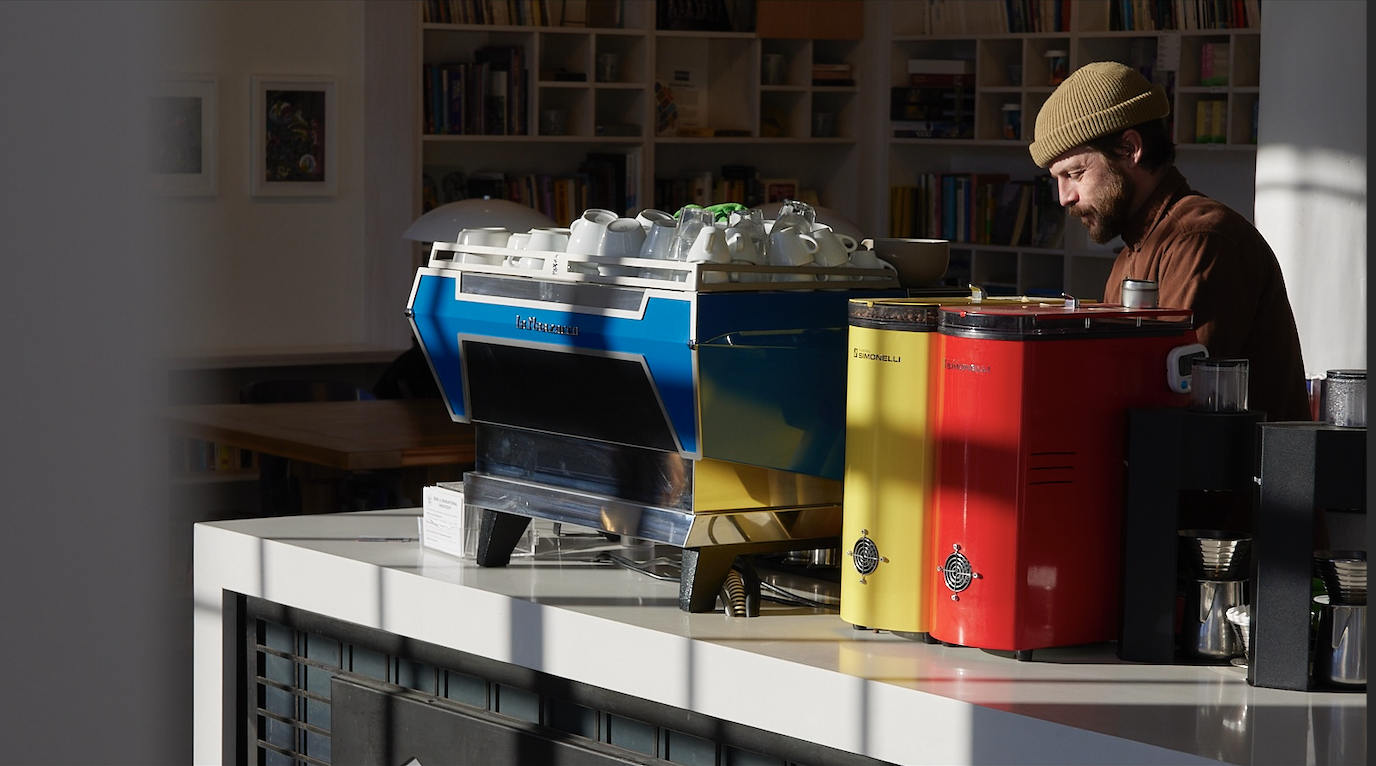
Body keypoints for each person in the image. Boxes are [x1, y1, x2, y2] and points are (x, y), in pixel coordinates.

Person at [1029, 61, 1310, 423]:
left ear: (1131, 149)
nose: (1064, 196)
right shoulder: (1132, 252)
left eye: (1076, 173)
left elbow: (1169, 396)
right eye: (1057, 179)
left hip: (1237, 477)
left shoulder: (1202, 239)